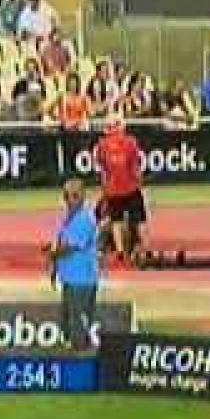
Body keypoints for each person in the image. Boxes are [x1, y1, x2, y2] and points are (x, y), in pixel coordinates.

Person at [42, 179, 100, 352]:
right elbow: (61, 244)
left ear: (83, 197)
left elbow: (69, 247)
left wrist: (52, 253)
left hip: (82, 281)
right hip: (70, 279)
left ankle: (82, 359)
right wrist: (54, 265)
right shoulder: (68, 220)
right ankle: (74, 352)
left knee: (79, 328)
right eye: (68, 196)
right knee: (68, 326)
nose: (71, 199)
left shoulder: (84, 219)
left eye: (75, 195)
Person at [93, 116, 146, 267]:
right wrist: (139, 181)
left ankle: (120, 252)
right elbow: (136, 165)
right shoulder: (130, 141)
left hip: (112, 189)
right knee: (139, 219)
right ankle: (143, 249)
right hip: (131, 186)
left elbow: (102, 167)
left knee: (116, 220)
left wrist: (106, 185)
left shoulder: (101, 144)